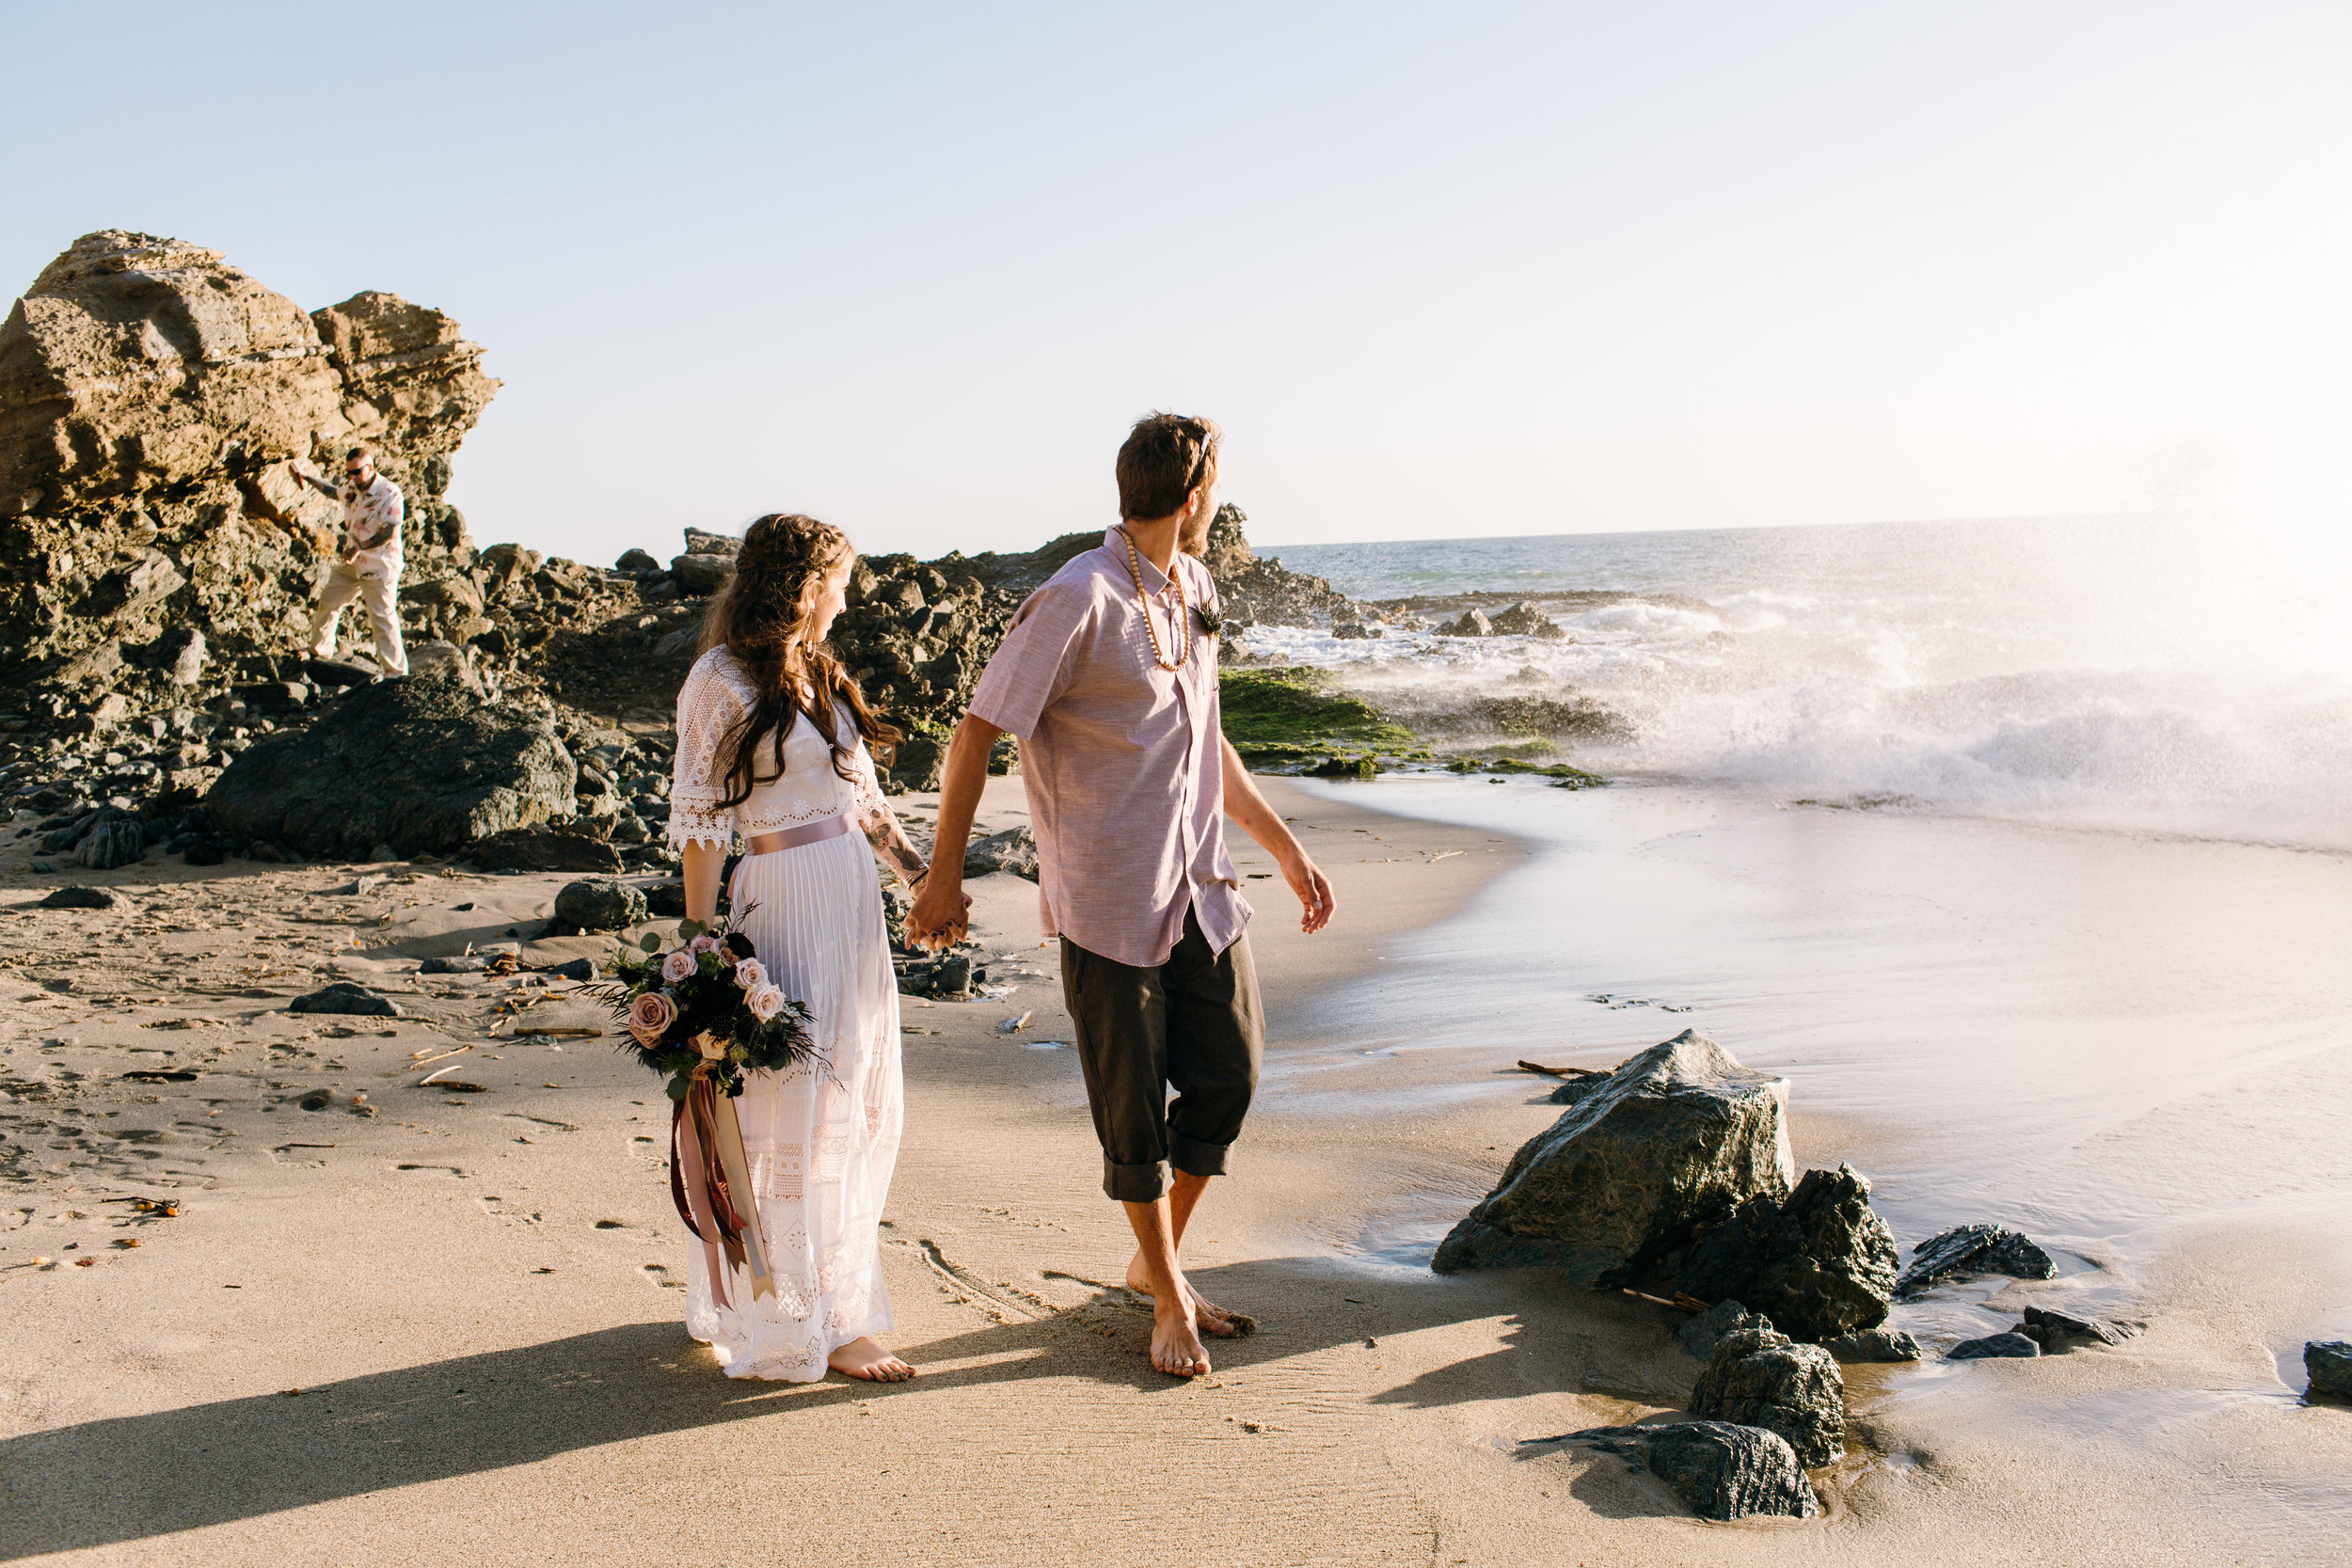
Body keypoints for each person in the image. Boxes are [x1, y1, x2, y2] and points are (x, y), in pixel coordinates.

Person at [907, 412, 1337, 1379]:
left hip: (1199, 886)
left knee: (1229, 1074)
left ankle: (1152, 1265)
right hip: (1107, 894)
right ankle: (1170, 1291)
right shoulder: (1075, 597)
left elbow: (1207, 738)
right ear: (1195, 498)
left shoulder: (1195, 585)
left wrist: (1288, 849)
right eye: (1213, 492)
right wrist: (943, 874)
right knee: (1134, 1107)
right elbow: (977, 730)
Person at [667, 513, 933, 1383]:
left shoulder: (819, 675)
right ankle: (803, 1313)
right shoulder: (718, 680)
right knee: (794, 1102)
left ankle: (840, 1301)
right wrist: (702, 947)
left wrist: (921, 879)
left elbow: (866, 801)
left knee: (858, 1098)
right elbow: (703, 822)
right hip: (780, 898)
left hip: (850, 899)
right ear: (805, 584)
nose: (848, 598)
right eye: (842, 581)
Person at [293, 446, 409, 675]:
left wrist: (360, 547)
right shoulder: (352, 487)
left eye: (356, 472)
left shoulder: (390, 493)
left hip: (381, 566)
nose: (352, 477)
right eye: (349, 472)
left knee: (382, 619)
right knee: (329, 601)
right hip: (354, 563)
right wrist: (307, 478)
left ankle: (396, 675)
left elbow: (390, 532)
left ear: (371, 468)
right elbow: (332, 491)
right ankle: (320, 652)